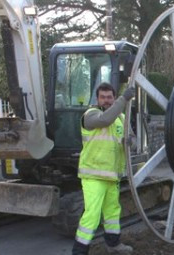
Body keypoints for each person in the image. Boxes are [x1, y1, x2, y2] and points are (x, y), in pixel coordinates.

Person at [72, 82, 136, 255]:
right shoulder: (91, 115)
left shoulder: (122, 119)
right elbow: (105, 119)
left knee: (112, 213)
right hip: (93, 176)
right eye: (103, 97)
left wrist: (130, 142)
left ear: (113, 98)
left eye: (110, 97)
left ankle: (114, 245)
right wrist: (124, 99)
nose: (106, 100)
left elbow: (132, 140)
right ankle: (78, 252)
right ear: (97, 99)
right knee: (92, 216)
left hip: (112, 177)